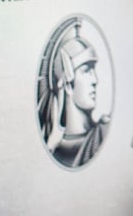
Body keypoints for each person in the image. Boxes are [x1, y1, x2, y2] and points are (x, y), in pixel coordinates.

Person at [37, 19, 110, 168]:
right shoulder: (53, 150)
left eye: (93, 69)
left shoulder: (104, 132)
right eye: (86, 70)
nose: (95, 80)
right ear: (68, 85)